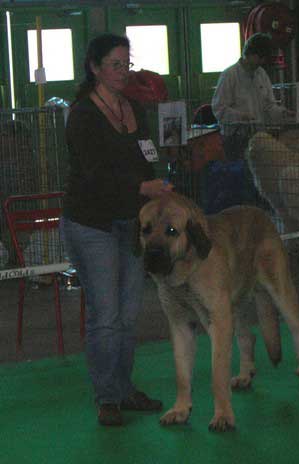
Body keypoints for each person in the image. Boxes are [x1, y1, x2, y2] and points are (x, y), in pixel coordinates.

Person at [60, 33, 173, 427]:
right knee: (105, 315)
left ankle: (124, 390)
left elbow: (146, 158)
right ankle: (107, 396)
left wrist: (157, 186)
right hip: (91, 224)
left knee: (128, 315)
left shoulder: (133, 108)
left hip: (132, 224)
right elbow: (94, 175)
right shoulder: (83, 115)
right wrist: (142, 188)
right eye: (115, 64)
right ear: (94, 67)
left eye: (126, 63)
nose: (123, 71)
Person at [211, 32, 293, 209]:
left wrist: (283, 112)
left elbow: (269, 106)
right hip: (236, 140)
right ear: (251, 54)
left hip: (260, 138)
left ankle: (261, 214)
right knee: (243, 185)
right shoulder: (229, 75)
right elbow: (219, 108)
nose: (262, 62)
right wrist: (241, 116)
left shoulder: (261, 74)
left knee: (261, 182)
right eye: (260, 57)